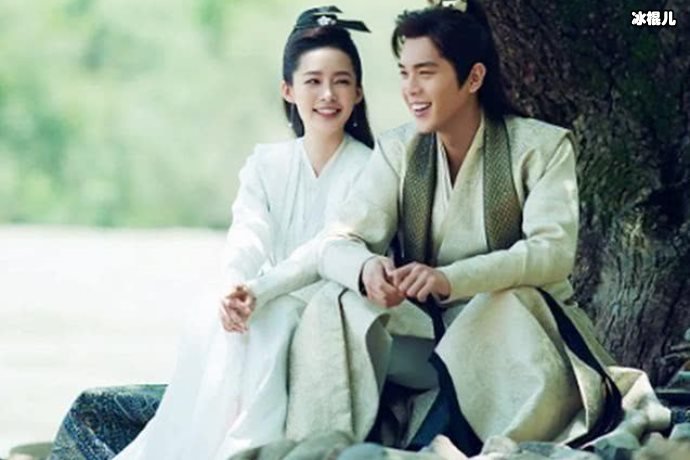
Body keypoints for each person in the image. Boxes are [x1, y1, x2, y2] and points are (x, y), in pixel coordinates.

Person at [276, 0, 671, 456]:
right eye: (404, 73)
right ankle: (321, 448)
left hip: (518, 339)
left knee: (506, 298)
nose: (410, 88)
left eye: (426, 72)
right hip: (430, 335)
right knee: (337, 298)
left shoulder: (541, 147)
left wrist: (449, 279)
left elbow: (551, 253)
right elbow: (339, 240)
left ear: (474, 77)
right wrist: (366, 269)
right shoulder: (398, 150)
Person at [48, 6, 374, 459]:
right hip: (262, 295)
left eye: (341, 81)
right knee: (211, 310)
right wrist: (235, 286)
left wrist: (260, 291)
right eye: (313, 81)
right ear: (288, 89)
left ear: (358, 91)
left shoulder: (371, 168)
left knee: (275, 320)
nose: (327, 94)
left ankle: (245, 448)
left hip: (331, 309)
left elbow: (327, 250)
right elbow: (249, 231)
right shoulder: (267, 163)